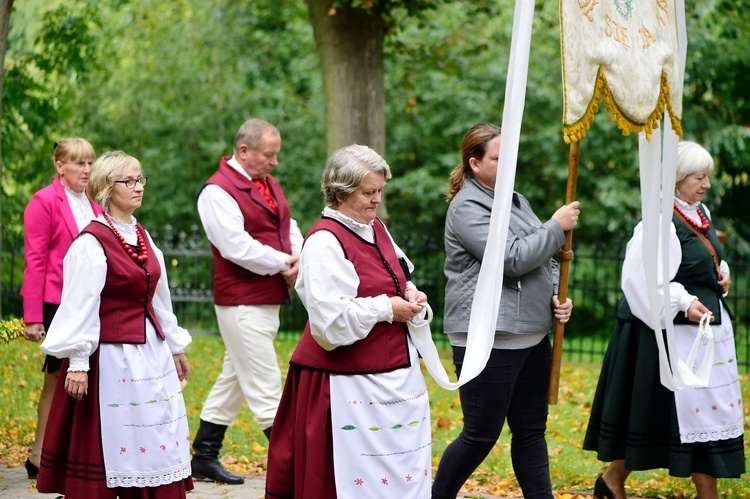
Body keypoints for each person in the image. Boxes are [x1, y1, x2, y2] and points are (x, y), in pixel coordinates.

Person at [265, 144, 430, 498]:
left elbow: (396, 276)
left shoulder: (376, 228)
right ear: (339, 193)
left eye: (379, 192)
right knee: (354, 479)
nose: (376, 201)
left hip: (393, 377)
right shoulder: (324, 242)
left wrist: (411, 294)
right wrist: (388, 308)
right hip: (345, 384)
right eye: (368, 193)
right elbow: (330, 324)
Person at [582, 141, 744, 499]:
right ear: (677, 180)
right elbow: (641, 281)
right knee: (666, 417)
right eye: (699, 178)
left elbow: (701, 258)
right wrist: (683, 302)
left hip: (697, 341)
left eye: (707, 177)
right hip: (668, 338)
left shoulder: (697, 214)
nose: (706, 185)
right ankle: (613, 481)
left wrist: (721, 274)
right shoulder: (658, 223)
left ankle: (613, 482)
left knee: (698, 419)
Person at [431, 123, 580, 499]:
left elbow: (538, 261)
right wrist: (555, 227)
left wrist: (553, 299)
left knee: (531, 430)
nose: (507, 163)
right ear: (475, 163)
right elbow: (511, 259)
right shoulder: (468, 207)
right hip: (488, 335)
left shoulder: (514, 198)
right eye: (499, 157)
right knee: (481, 434)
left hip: (531, 334)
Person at [36, 151, 194, 498]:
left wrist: (175, 345)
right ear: (108, 188)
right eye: (129, 181)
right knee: (121, 436)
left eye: (140, 179)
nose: (139, 187)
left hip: (150, 354)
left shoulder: (142, 235)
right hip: (111, 359)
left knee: (154, 432)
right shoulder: (92, 242)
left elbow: (158, 297)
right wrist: (78, 362)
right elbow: (81, 306)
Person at [193, 118, 303, 484]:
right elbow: (235, 246)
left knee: (235, 379)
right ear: (244, 151)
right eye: (269, 155)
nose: (275, 162)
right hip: (241, 302)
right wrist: (283, 262)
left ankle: (204, 456)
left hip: (266, 297)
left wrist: (299, 256)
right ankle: (296, 468)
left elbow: (287, 225)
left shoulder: (267, 183)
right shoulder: (217, 191)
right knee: (266, 385)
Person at [20, 137, 102, 479]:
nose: (86, 170)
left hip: (89, 303)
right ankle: (39, 454)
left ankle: (68, 452)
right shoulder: (43, 202)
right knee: (56, 377)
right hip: (56, 304)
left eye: (89, 163)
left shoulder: (96, 205)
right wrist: (33, 316)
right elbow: (35, 260)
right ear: (60, 166)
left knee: (83, 378)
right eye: (79, 163)